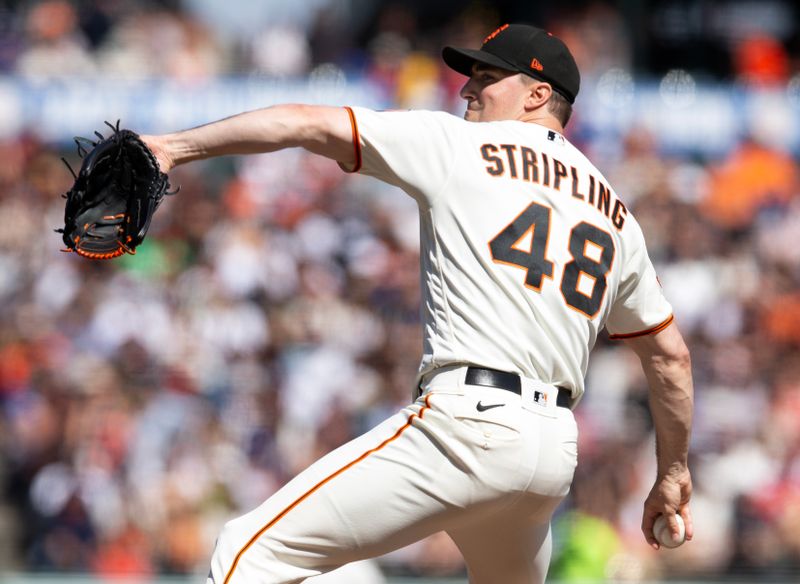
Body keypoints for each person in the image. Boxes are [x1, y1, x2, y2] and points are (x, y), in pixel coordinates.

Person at [143, 23, 694, 584]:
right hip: (551, 452)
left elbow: (307, 121)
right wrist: (672, 471)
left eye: (486, 76)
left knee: (244, 555)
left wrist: (173, 147)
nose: (465, 90)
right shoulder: (615, 213)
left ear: (536, 93)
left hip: (468, 424)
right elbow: (670, 357)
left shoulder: (463, 145)